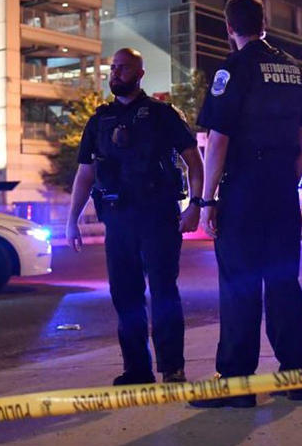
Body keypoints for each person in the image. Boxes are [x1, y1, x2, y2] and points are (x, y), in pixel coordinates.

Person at [191, 0, 302, 408]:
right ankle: (296, 376)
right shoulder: (294, 69)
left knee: (239, 283)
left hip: (245, 187)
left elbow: (218, 140)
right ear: (264, 23)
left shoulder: (233, 69)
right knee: (283, 281)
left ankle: (237, 384)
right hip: (282, 187)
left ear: (229, 28)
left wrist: (207, 201)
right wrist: (286, 182)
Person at [66, 48, 205, 385]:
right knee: (125, 295)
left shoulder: (162, 114)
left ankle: (172, 368)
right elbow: (85, 174)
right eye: (112, 68)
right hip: (118, 220)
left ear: (140, 73)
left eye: (123, 68)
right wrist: (72, 220)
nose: (115, 74)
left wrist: (196, 205)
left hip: (158, 217)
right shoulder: (99, 121)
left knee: (163, 292)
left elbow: (194, 162)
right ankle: (137, 369)